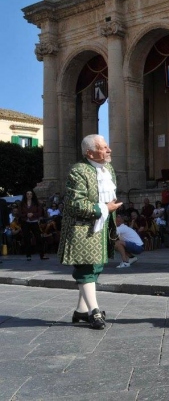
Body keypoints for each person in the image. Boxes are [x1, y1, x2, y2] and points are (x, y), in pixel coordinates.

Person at [58, 134, 122, 330]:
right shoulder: (78, 171)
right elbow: (76, 204)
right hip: (82, 229)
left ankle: (80, 311)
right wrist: (105, 209)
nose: (109, 150)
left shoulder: (108, 168)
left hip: (101, 228)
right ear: (89, 152)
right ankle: (94, 312)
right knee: (86, 269)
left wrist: (109, 211)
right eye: (103, 147)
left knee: (94, 268)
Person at [19, 190, 48, 261]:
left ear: (32, 195)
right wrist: (26, 214)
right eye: (27, 194)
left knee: (38, 238)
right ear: (25, 195)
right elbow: (19, 214)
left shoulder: (37, 203)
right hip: (25, 222)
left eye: (30, 194)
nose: (29, 195)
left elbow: (39, 213)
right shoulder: (22, 203)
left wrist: (33, 214)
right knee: (27, 239)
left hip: (34, 221)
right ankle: (28, 255)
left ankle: (42, 255)